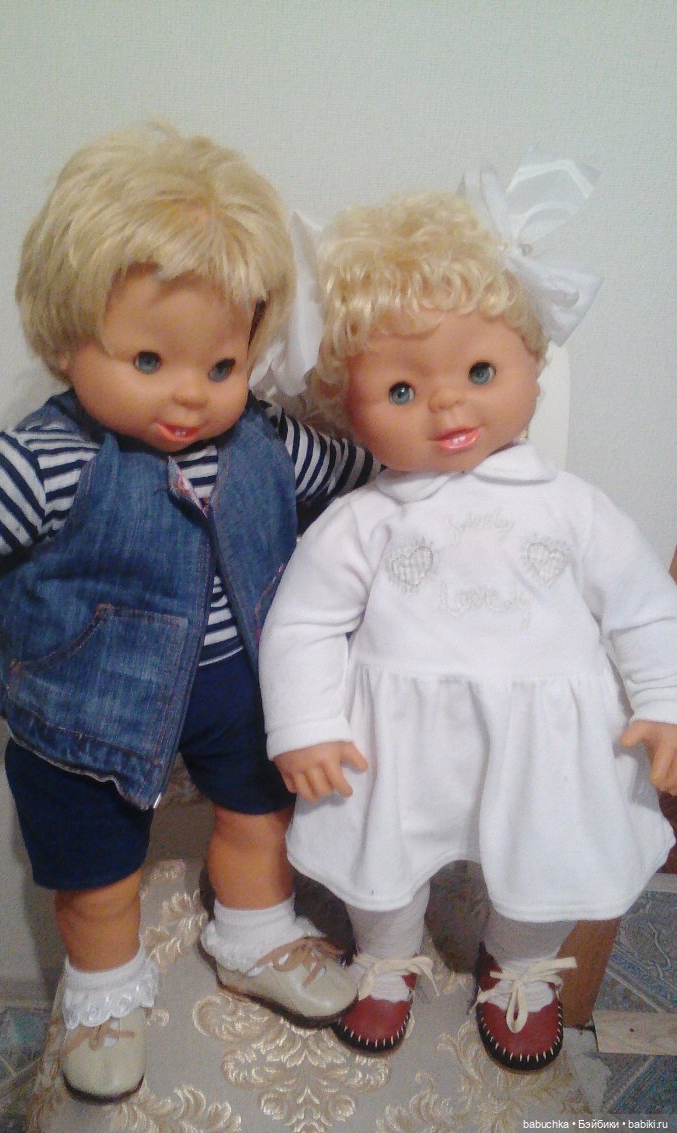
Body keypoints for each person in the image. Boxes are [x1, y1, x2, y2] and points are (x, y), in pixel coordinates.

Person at [0, 124, 375, 1103]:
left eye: (221, 365)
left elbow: (350, 468)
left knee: (262, 819)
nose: (190, 394)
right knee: (95, 873)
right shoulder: (49, 457)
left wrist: (428, 468)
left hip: (246, 688)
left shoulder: (264, 439)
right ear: (65, 337)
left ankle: (254, 931)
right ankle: (102, 989)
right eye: (149, 358)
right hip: (85, 707)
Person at [258, 155, 677, 1072]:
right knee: (380, 856)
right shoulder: (363, 520)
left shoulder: (574, 508)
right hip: (395, 739)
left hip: (548, 735)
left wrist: (663, 699)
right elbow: (303, 622)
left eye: (480, 368)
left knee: (547, 853)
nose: (447, 401)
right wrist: (305, 721)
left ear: (533, 364)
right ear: (349, 406)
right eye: (402, 390)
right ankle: (386, 950)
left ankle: (517, 963)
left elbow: (645, 604)